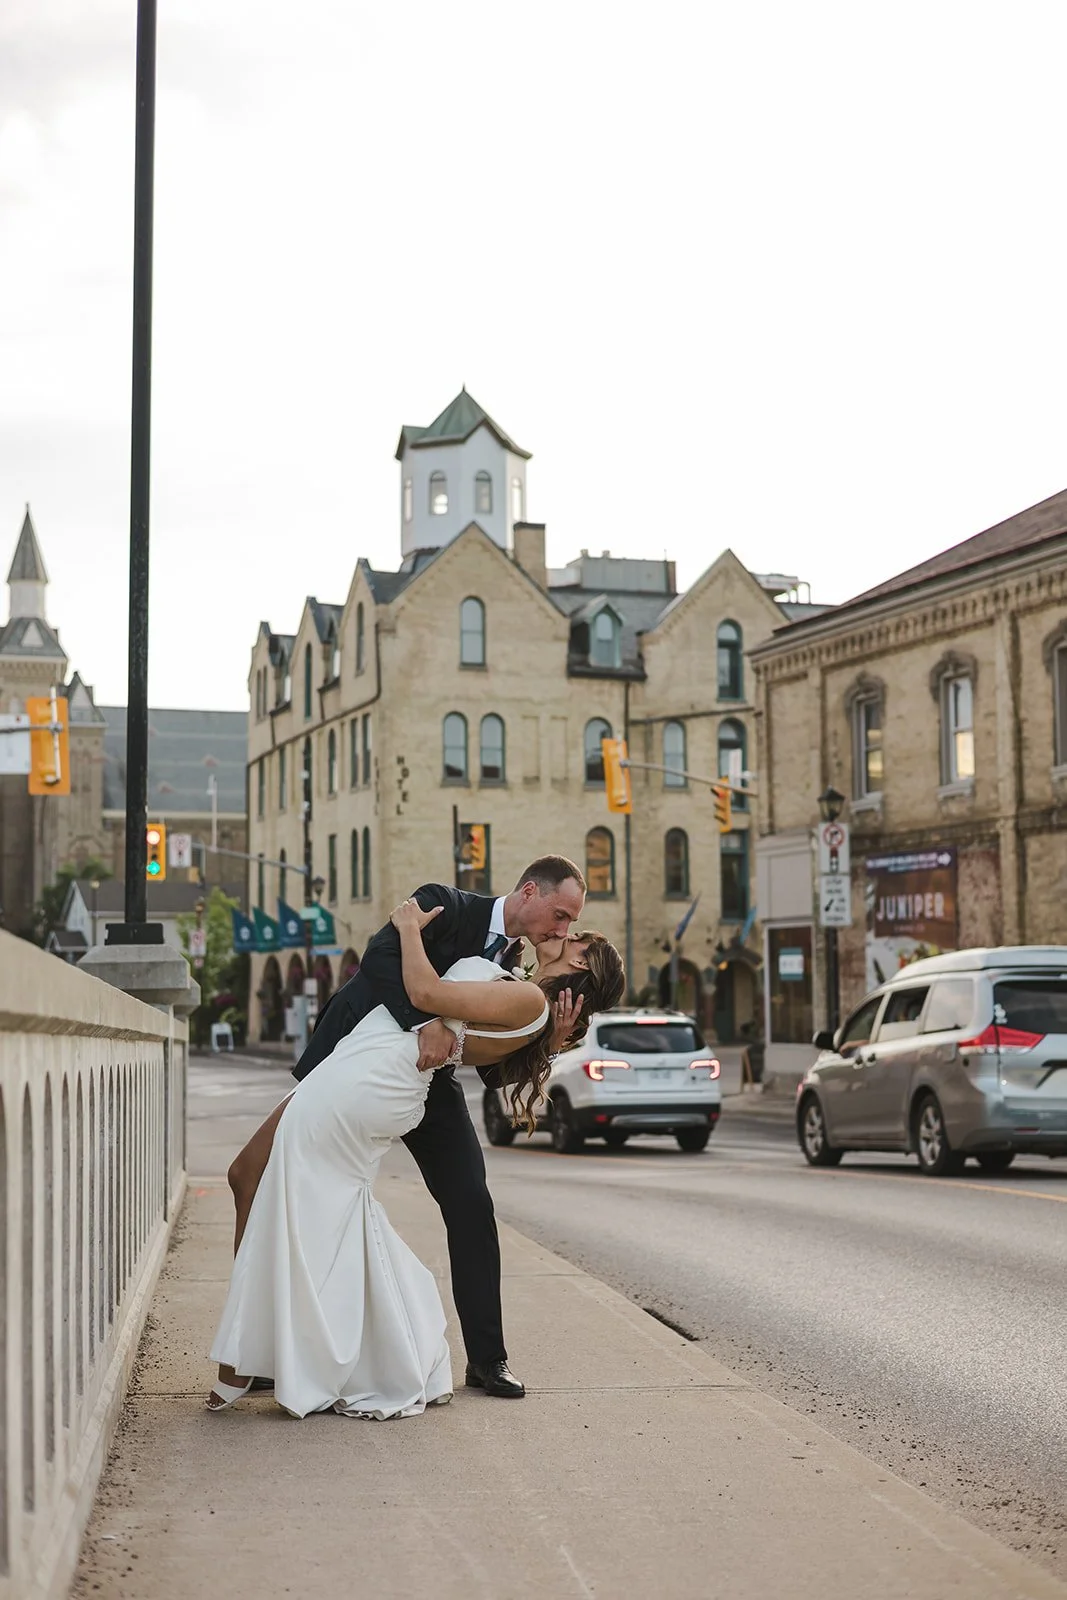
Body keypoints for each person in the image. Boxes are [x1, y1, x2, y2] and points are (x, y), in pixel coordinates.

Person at [206, 897, 625, 1417]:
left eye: (573, 928)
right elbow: (381, 963)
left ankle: (485, 1358)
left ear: (580, 963)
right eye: (563, 916)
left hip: (413, 1080)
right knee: (268, 1183)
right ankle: (270, 1346)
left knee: (467, 1202)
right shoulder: (452, 907)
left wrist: (548, 1038)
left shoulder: (526, 991)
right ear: (532, 894)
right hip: (367, 1053)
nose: (567, 928)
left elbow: (492, 1067)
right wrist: (428, 1019)